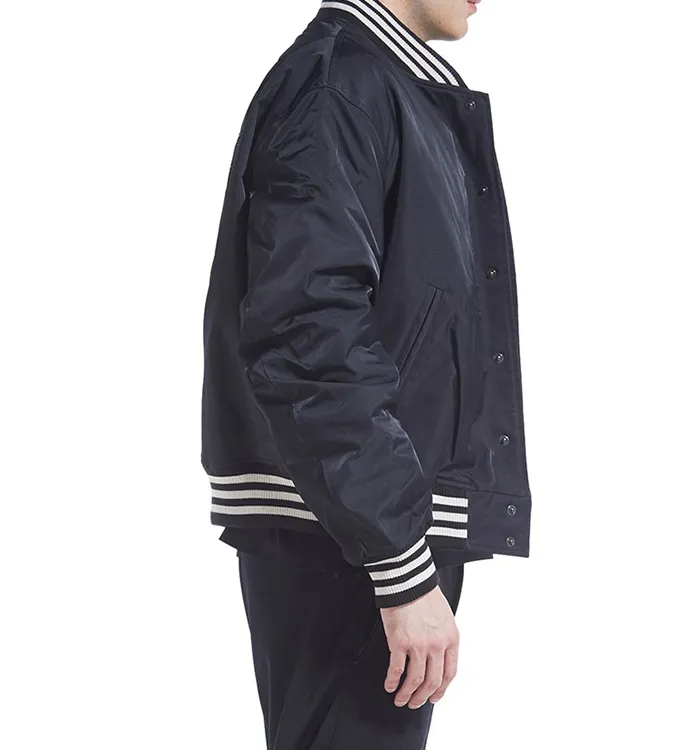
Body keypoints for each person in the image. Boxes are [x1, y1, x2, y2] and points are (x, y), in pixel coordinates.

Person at [200, 0, 533, 747]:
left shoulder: (379, 86)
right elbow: (307, 333)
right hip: (351, 533)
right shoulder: (341, 87)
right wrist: (398, 561)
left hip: (365, 519)